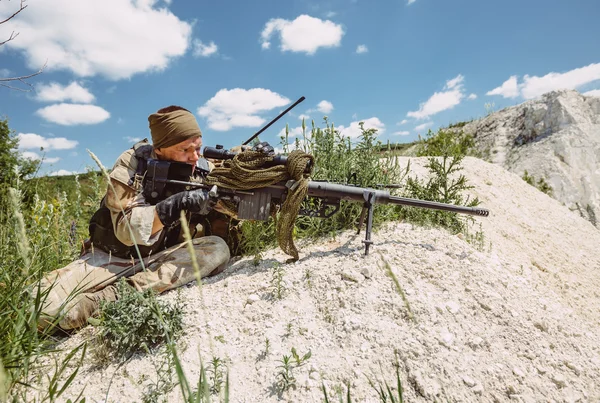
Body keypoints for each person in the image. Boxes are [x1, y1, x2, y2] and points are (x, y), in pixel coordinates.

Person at [38, 106, 238, 331]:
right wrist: (176, 204)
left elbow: (234, 182)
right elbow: (126, 231)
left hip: (165, 257)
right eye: (185, 150)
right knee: (40, 309)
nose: (194, 157)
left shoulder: (201, 167)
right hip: (111, 258)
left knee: (217, 249)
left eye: (198, 148)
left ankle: (113, 296)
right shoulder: (132, 164)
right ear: (160, 149)